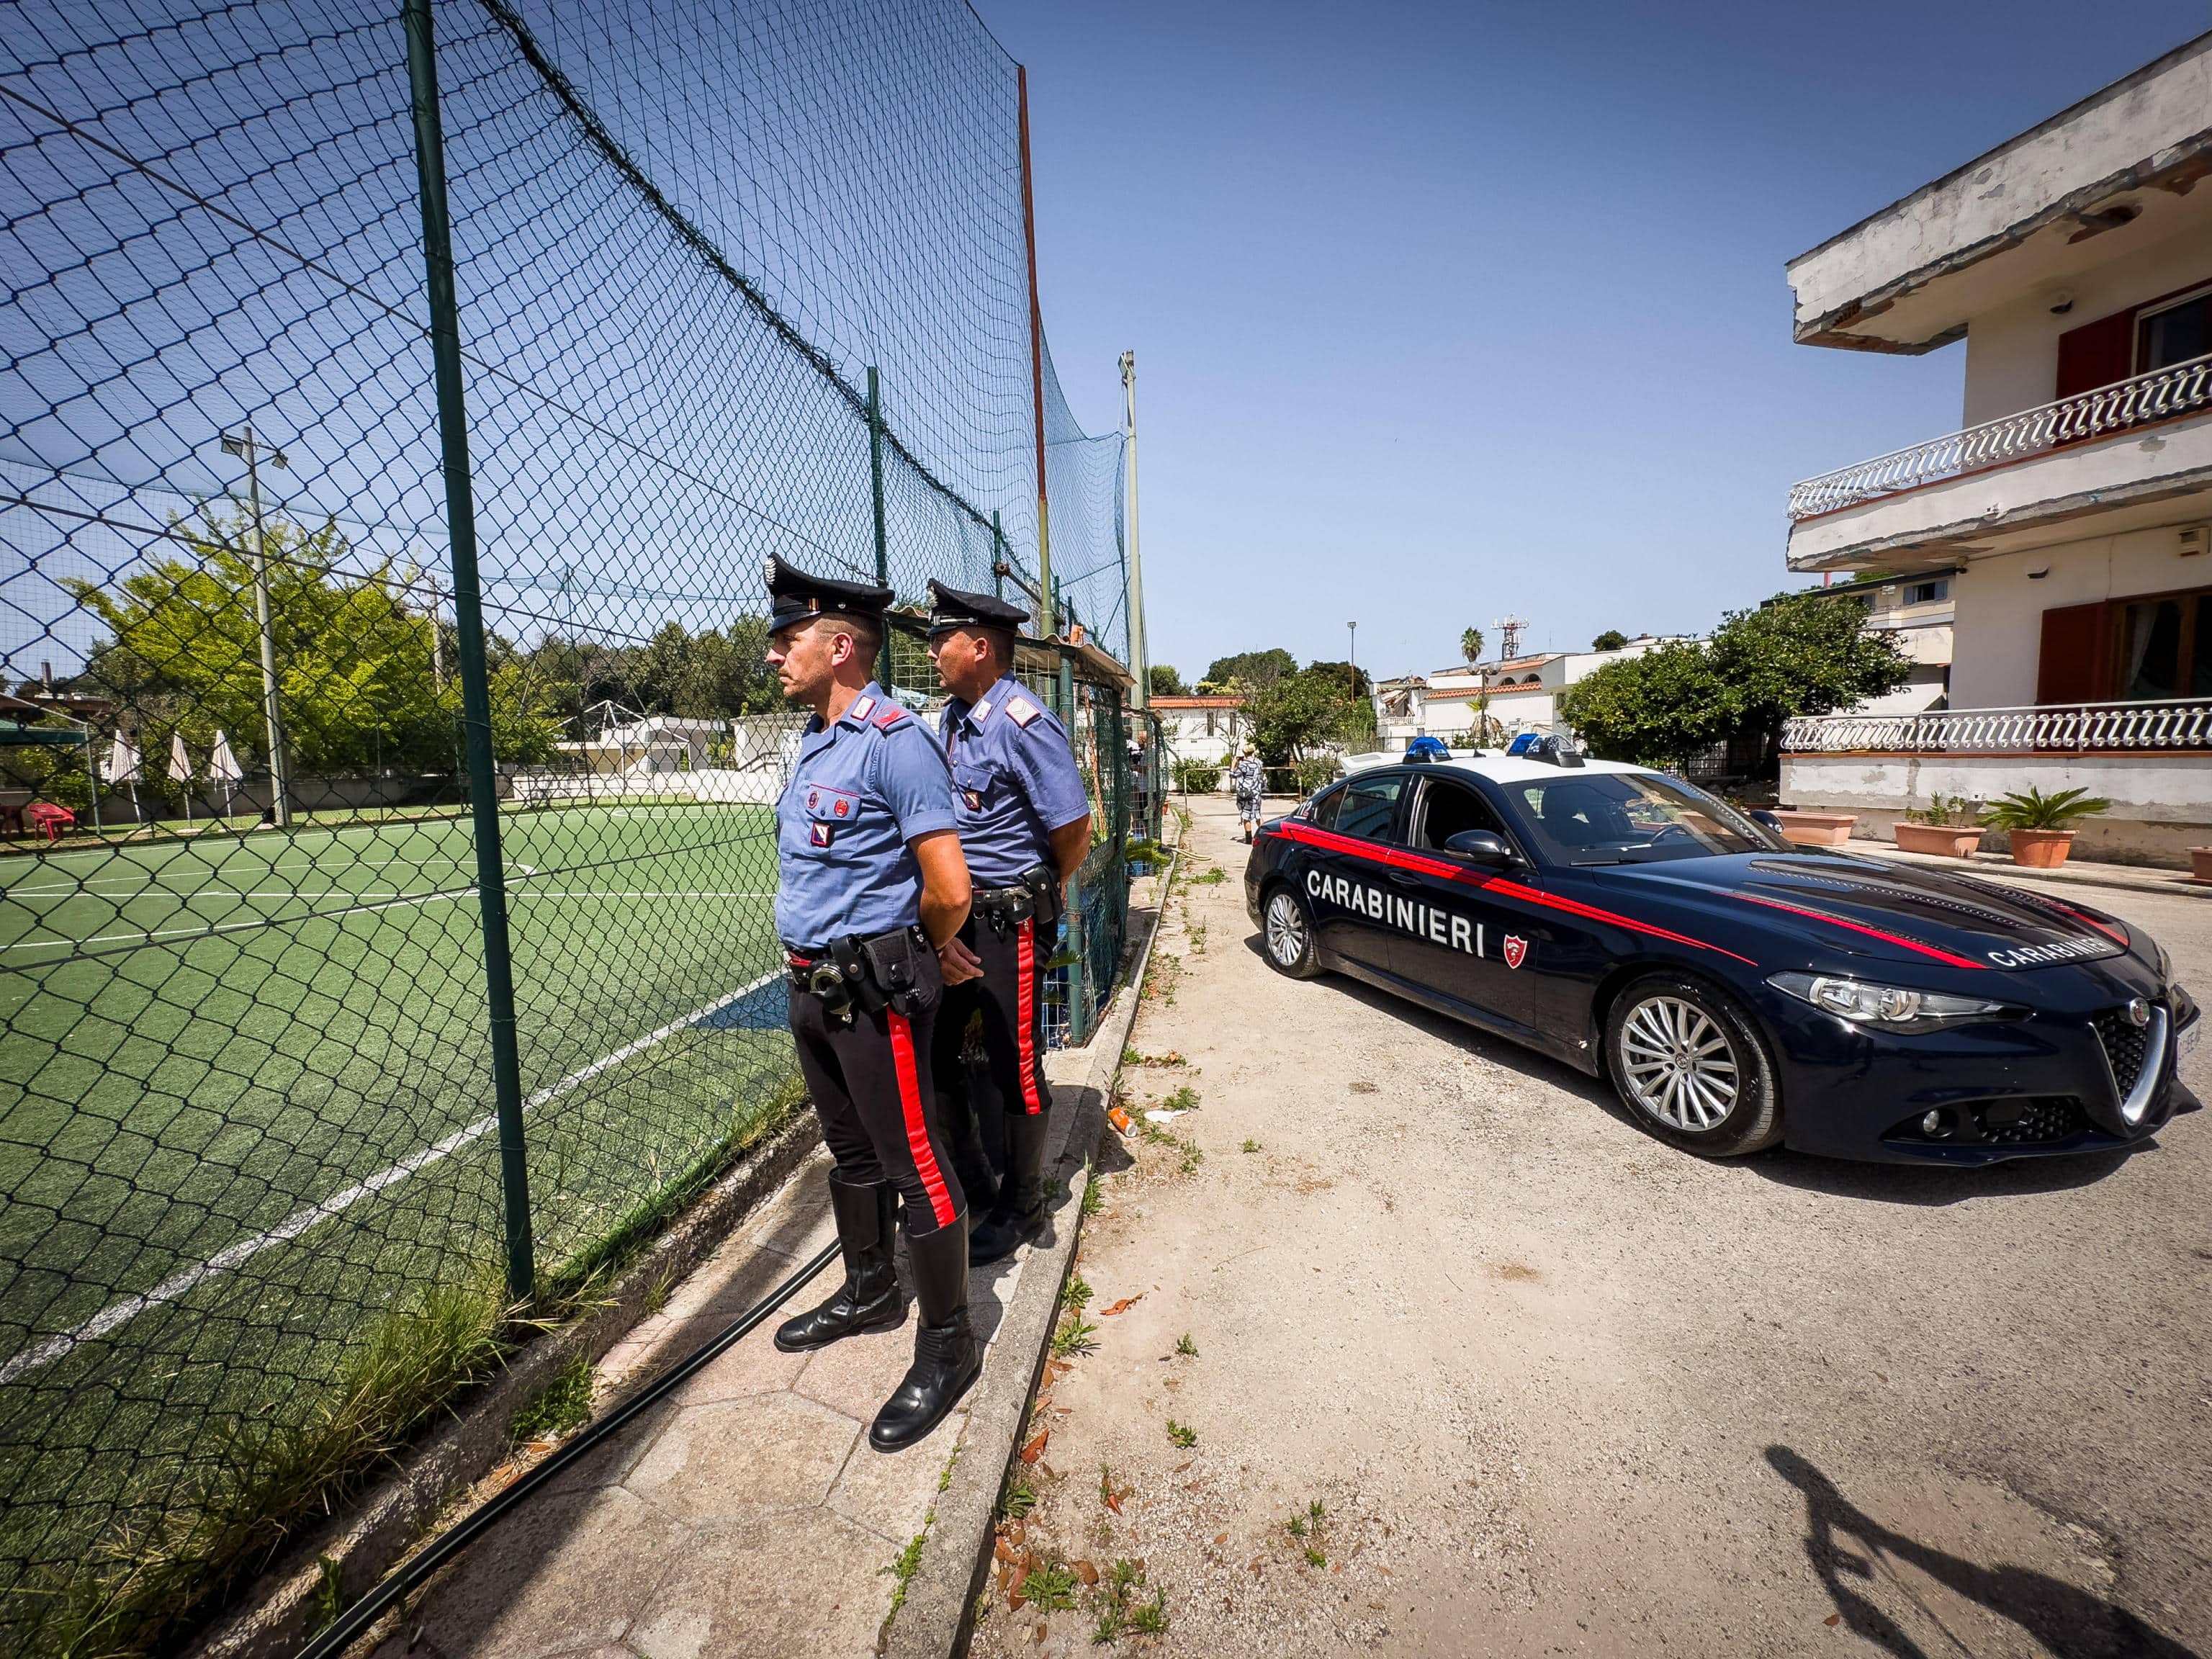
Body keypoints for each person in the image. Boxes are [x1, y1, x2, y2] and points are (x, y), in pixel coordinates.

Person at [761, 556, 981, 1452]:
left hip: (869, 990)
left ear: (841, 644)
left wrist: (915, 946)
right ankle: (871, 1290)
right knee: (848, 1150)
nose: (775, 655)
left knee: (913, 1161)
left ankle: (948, 1343)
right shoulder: (816, 738)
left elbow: (949, 885)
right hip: (810, 984)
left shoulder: (895, 739)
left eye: (789, 639)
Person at [924, 580, 1093, 1264]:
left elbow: (1073, 824)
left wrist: (1042, 887)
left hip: (1011, 918)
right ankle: (972, 1181)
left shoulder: (1021, 720)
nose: (933, 651)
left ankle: (1024, 1205)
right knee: (939, 1049)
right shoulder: (952, 720)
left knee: (1012, 1060)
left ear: (981, 647)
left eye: (943, 639)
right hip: (963, 917)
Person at [1232, 743, 1265, 842]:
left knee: (1246, 816)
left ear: (1244, 752)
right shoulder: (1259, 763)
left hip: (1246, 793)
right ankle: (1266, 834)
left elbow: (1233, 774)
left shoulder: (1243, 764)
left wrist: (1234, 764)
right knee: (1258, 815)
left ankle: (1248, 838)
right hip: (1257, 793)